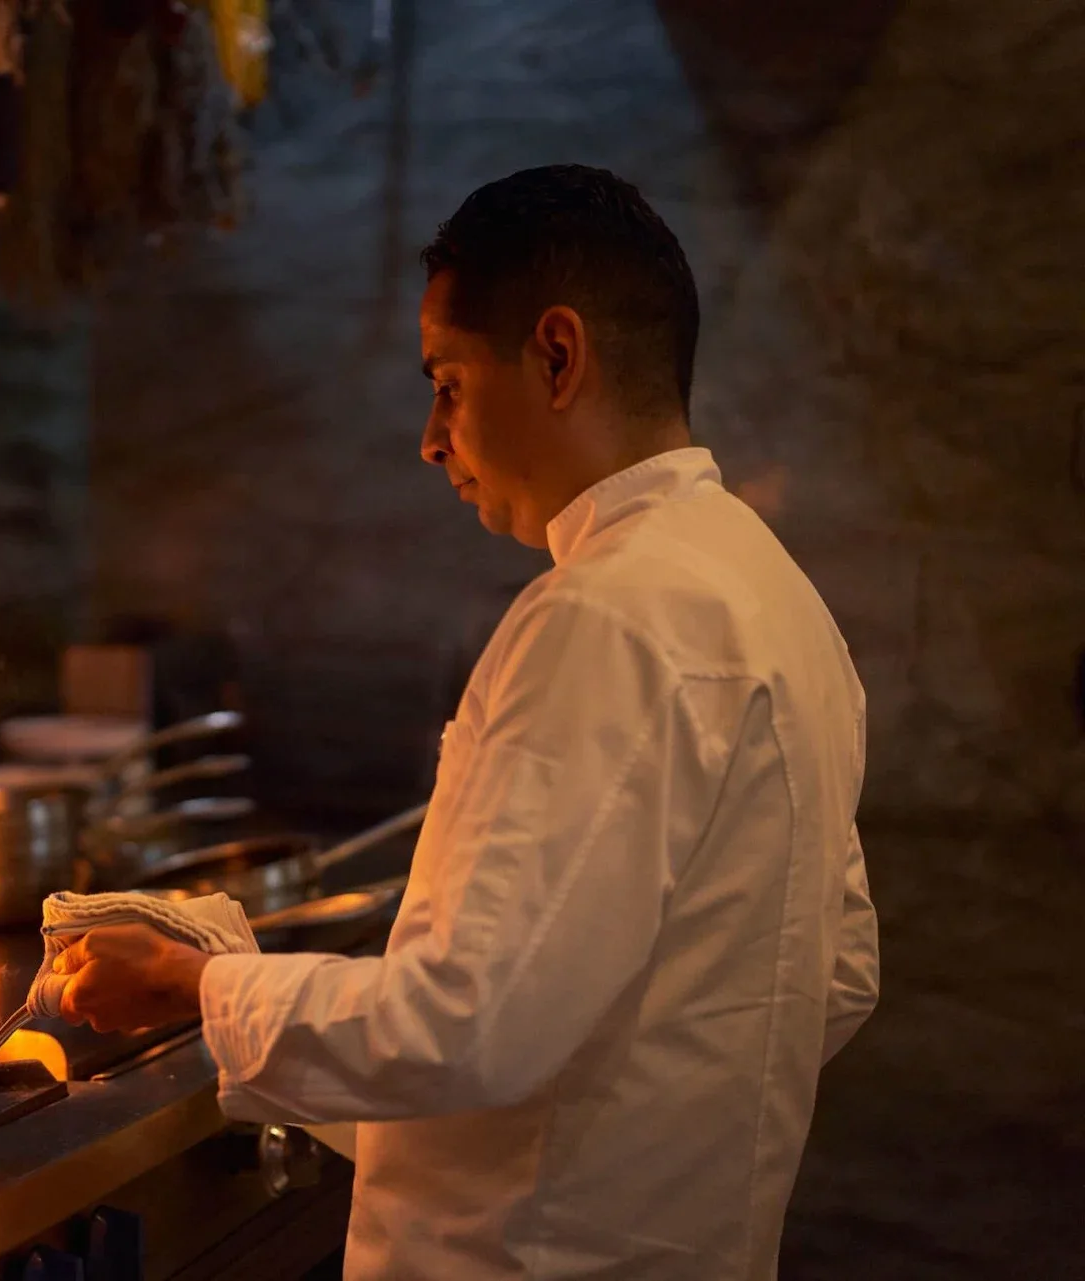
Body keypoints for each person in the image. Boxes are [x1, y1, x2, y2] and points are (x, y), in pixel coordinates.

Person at [50, 165, 880, 1280]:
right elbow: (833, 974)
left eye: (445, 381)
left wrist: (195, 985)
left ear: (555, 355)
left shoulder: (605, 615)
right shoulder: (779, 597)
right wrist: (653, 1128)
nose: (431, 439)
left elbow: (462, 1024)